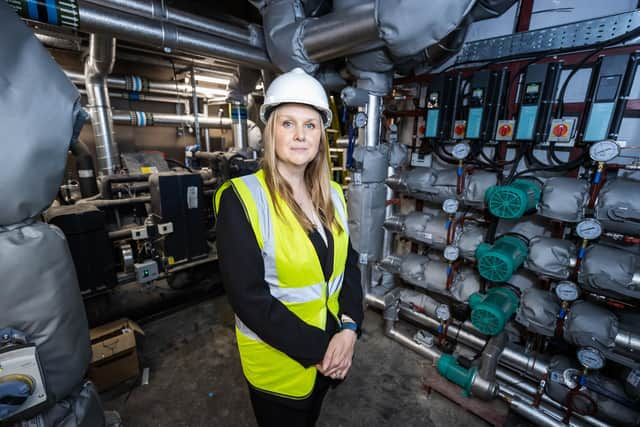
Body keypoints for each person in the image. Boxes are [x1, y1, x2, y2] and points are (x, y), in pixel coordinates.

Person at [214, 67, 364, 427]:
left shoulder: (333, 195)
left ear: (321, 136)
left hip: (329, 355)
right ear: (271, 132)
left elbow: (349, 266)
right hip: (280, 367)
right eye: (288, 124)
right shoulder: (241, 199)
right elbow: (249, 298)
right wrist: (323, 350)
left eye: (310, 125)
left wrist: (349, 329)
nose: (300, 136)